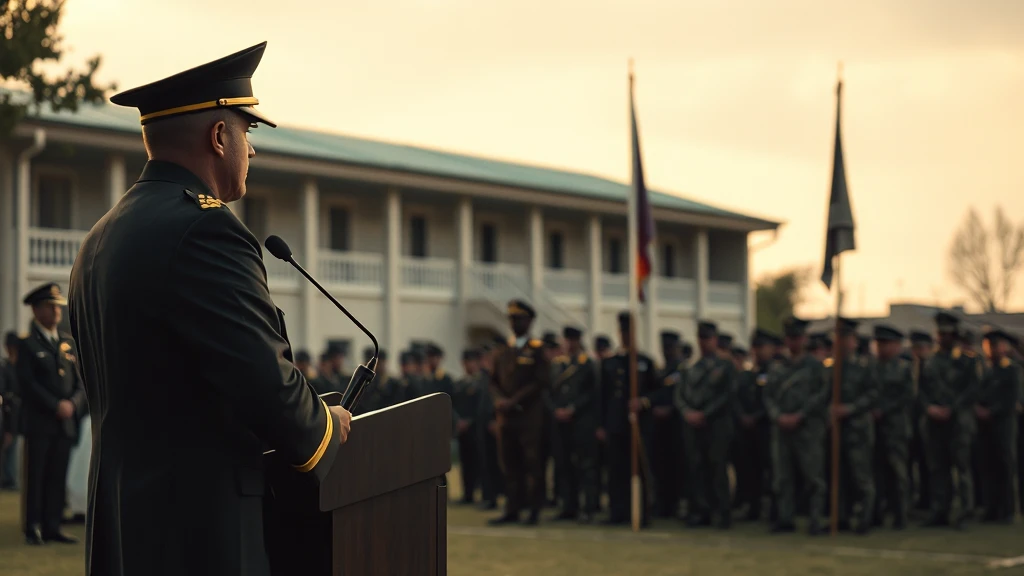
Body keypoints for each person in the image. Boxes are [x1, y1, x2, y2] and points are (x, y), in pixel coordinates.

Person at [67, 42, 351, 576]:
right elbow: (266, 386)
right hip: (201, 533)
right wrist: (327, 427)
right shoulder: (206, 229)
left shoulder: (100, 238)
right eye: (247, 132)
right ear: (219, 137)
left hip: (123, 530)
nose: (252, 149)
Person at [16, 283, 87, 545]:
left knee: (58, 475)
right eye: (49, 306)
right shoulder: (28, 344)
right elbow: (27, 383)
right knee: (37, 475)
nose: (56, 311)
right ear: (36, 310)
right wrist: (55, 404)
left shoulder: (67, 344)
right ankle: (33, 526)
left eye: (57, 306)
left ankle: (52, 525)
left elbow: (80, 383)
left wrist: (73, 404)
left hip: (65, 422)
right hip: (40, 422)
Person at [763, 316, 827, 535]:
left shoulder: (815, 367)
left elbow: (822, 395)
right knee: (782, 477)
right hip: (781, 429)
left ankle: (815, 519)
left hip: (807, 429)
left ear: (804, 339)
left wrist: (801, 415)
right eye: (790, 338)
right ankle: (785, 518)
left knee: (813, 477)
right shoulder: (777, 366)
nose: (794, 342)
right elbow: (768, 396)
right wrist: (777, 416)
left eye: (797, 338)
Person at [489, 300, 551, 525]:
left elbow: (541, 381)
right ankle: (512, 509)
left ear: (530, 321)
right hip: (506, 418)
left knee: (532, 463)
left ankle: (534, 510)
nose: (515, 323)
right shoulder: (502, 350)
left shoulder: (537, 349)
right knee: (509, 464)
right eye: (512, 319)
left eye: (519, 319)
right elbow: (493, 381)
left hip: (528, 416)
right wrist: (499, 401)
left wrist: (514, 400)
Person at [919, 312, 982, 529]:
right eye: (939, 333)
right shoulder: (928, 361)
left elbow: (972, 389)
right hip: (934, 423)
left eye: (946, 333)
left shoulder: (967, 361)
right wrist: (929, 408)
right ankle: (940, 510)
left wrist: (951, 409)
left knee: (961, 468)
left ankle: (964, 512)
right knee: (938, 469)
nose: (941, 337)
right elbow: (920, 390)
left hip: (958, 423)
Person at [675, 321, 737, 529]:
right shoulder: (690, 366)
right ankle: (701, 511)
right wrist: (687, 412)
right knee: (696, 468)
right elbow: (680, 394)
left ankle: (723, 512)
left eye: (707, 338)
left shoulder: (725, 366)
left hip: (716, 425)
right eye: (701, 338)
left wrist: (705, 414)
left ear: (715, 340)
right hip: (693, 425)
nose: (704, 343)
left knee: (717, 468)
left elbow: (726, 395)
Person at [600, 311, 657, 526]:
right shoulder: (611, 363)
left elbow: (656, 392)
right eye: (623, 331)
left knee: (640, 470)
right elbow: (603, 396)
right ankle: (618, 512)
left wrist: (643, 402)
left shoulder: (645, 362)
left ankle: (642, 512)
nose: (626, 336)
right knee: (616, 470)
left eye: (629, 331)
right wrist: (602, 425)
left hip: (638, 426)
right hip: (616, 424)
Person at [822, 318, 878, 534]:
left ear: (853, 341)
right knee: (838, 475)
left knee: (861, 476)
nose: (840, 342)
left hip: (858, 430)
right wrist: (829, 411)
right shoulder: (832, 369)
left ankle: (865, 518)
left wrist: (850, 408)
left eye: (844, 338)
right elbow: (824, 396)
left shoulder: (864, 367)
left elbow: (872, 395)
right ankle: (840, 517)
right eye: (837, 338)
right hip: (837, 430)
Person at [548, 326, 599, 523]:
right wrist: (556, 409)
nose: (569, 344)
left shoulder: (587, 364)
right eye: (567, 340)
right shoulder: (557, 365)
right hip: (561, 423)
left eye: (573, 340)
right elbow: (549, 391)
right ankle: (568, 506)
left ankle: (588, 508)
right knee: (563, 465)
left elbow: (592, 393)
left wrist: (573, 408)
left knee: (585, 466)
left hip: (581, 422)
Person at [975, 329, 1021, 524]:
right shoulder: (983, 369)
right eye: (987, 345)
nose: (990, 349)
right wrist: (978, 408)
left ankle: (1008, 510)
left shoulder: (1011, 369)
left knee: (1005, 465)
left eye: (994, 345)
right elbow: (977, 392)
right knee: (987, 466)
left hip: (1004, 423)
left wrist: (991, 411)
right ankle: (991, 508)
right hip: (984, 425)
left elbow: (1012, 398)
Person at [871, 325, 914, 530]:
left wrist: (884, 410)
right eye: (879, 344)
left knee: (898, 472)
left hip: (895, 428)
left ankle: (900, 514)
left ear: (897, 346)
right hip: (872, 428)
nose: (882, 348)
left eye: (886, 344)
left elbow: (906, 396)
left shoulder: (904, 368)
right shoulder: (869, 367)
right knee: (875, 473)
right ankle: (876, 512)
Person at [453, 349, 484, 504]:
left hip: (476, 428)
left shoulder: (481, 383)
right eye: (465, 362)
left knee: (478, 461)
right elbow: (454, 404)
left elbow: (480, 406)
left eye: (470, 361)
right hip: (462, 429)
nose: (467, 365)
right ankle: (468, 494)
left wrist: (470, 421)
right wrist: (458, 420)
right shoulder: (460, 383)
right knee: (465, 462)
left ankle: (483, 494)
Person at [1, 331, 20, 491]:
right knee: (8, 448)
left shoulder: (20, 367)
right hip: (9, 413)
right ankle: (8, 479)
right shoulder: (5, 367)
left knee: (12, 449)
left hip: (20, 414)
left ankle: (11, 478)